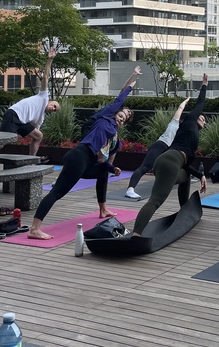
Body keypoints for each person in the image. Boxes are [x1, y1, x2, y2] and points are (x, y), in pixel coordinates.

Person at [27, 67, 142, 239]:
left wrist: (113, 169)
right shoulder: (105, 117)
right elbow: (121, 96)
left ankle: (103, 209)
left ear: (123, 124)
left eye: (124, 118)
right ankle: (35, 228)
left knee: (103, 171)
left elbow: (103, 160)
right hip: (79, 156)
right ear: (115, 112)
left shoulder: (114, 139)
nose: (122, 117)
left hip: (88, 162)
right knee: (57, 192)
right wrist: (133, 79)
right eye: (121, 114)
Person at [131, 74, 210, 237]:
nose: (203, 121)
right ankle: (136, 233)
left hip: (170, 162)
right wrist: (204, 85)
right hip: (169, 161)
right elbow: (200, 103)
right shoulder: (189, 121)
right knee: (156, 200)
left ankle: (184, 210)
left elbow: (186, 166)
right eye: (202, 119)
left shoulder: (190, 138)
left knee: (185, 176)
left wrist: (201, 175)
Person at [0, 49, 59, 157]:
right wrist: (50, 59)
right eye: (54, 106)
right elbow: (45, 77)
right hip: (13, 115)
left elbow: (34, 133)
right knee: (1, 143)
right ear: (50, 102)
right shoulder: (43, 97)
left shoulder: (40, 118)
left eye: (55, 110)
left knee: (38, 136)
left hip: (22, 122)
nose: (53, 109)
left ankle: (31, 161)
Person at [125, 97, 191, 200]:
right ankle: (130, 190)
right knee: (145, 167)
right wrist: (186, 101)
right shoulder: (174, 124)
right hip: (160, 145)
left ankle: (169, 182)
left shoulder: (184, 134)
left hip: (169, 151)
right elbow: (180, 108)